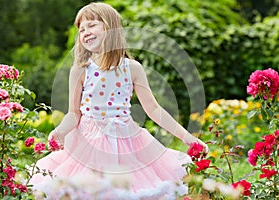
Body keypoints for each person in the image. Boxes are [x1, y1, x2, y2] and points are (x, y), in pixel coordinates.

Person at [29, 2, 208, 199]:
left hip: (126, 140)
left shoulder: (132, 68)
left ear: (110, 27)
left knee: (127, 191)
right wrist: (60, 130)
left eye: (92, 25)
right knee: (88, 190)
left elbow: (154, 109)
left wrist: (187, 137)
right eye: (81, 29)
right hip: (88, 142)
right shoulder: (80, 70)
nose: (85, 32)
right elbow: (74, 113)